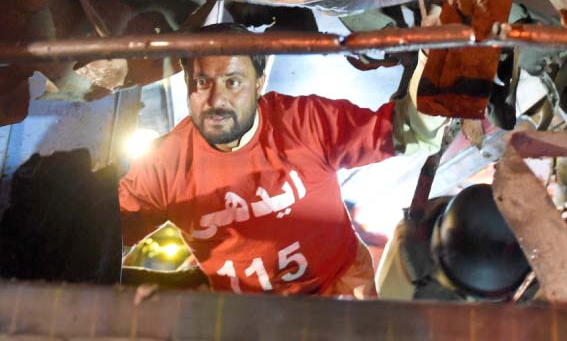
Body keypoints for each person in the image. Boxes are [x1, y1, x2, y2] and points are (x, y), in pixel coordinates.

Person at [118, 23, 445, 298]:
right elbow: (106, 236)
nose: (216, 101)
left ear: (259, 84)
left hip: (338, 289)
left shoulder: (304, 123)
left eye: (233, 82)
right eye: (202, 83)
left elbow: (409, 132)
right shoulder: (163, 166)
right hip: (246, 315)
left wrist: (436, 52)